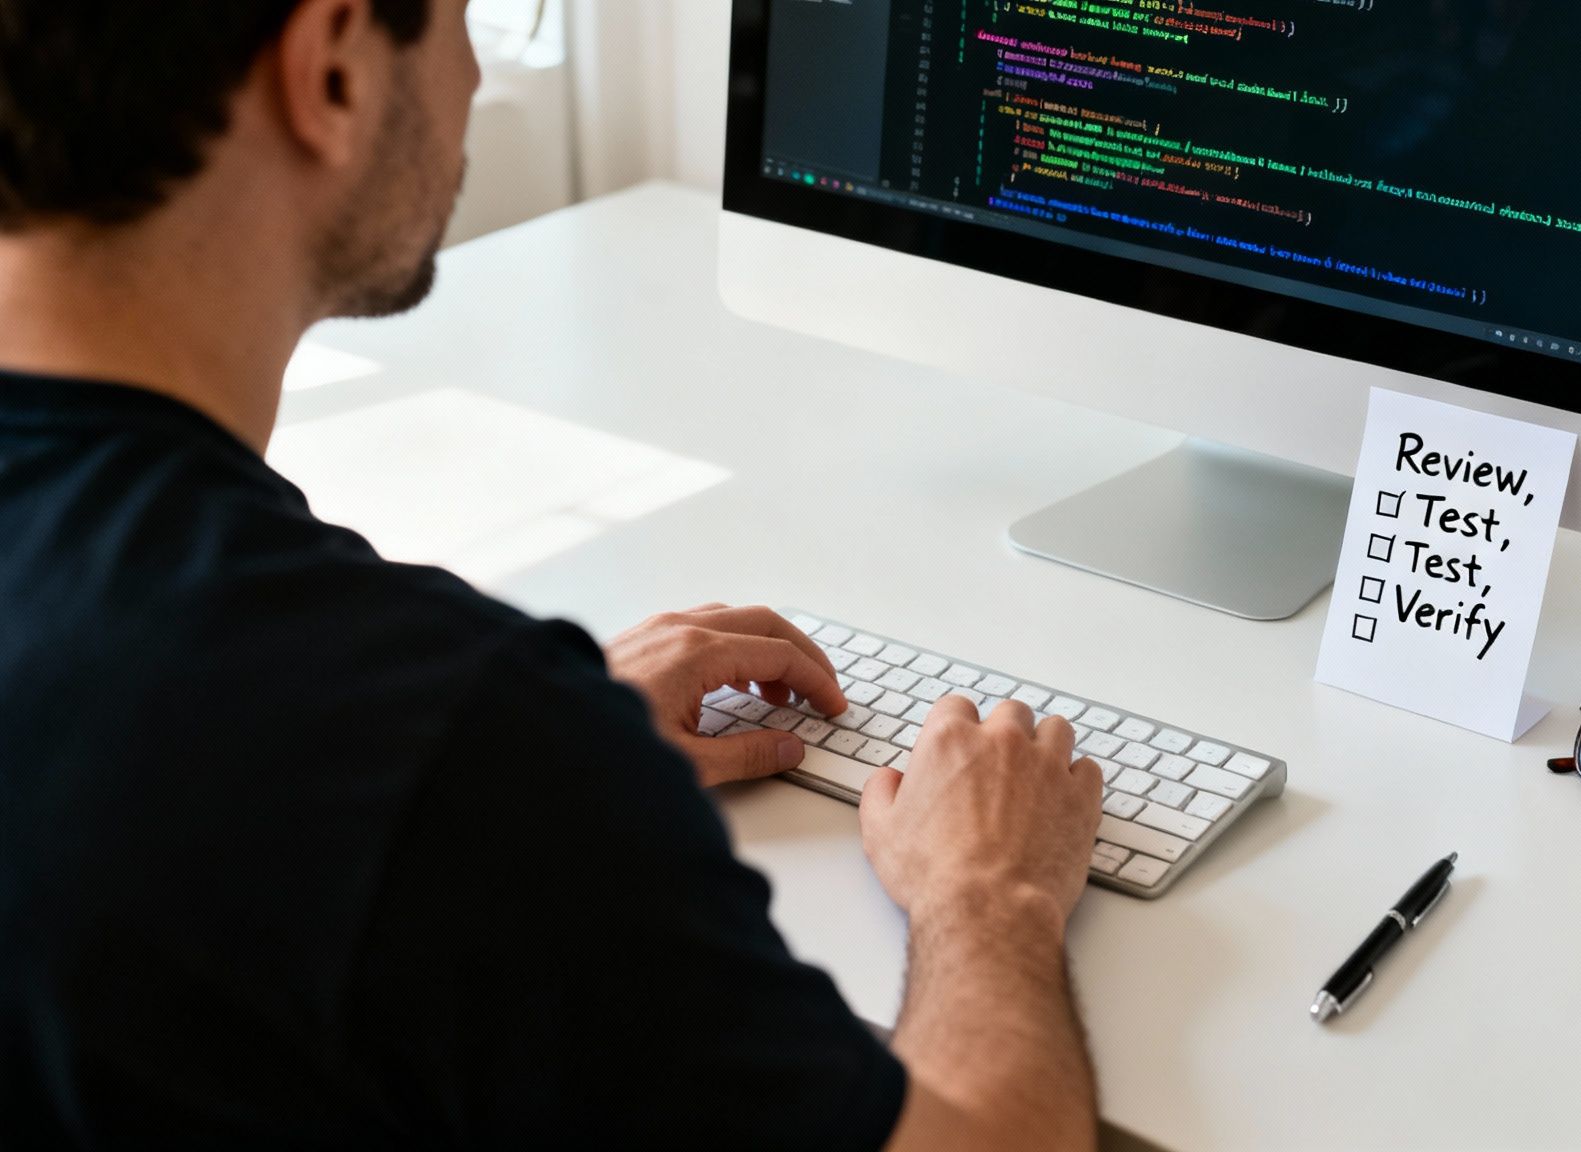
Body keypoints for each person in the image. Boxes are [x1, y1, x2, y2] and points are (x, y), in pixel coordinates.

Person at [0, 1, 1106, 1147]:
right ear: (331, 72)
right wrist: (990, 892)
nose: (474, 68)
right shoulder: (442, 743)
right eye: (459, 17)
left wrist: (527, 770)